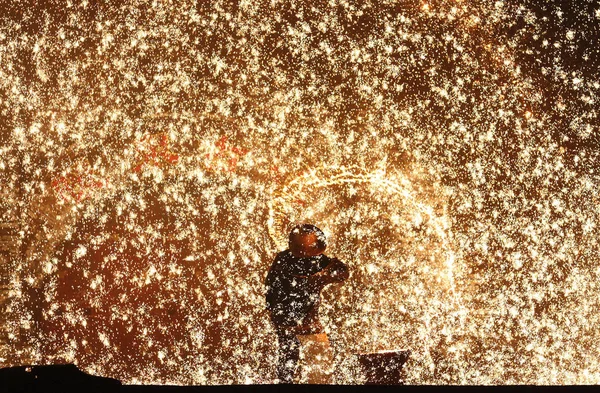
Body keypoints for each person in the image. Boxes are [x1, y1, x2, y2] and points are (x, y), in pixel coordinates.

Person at [265, 224, 349, 384]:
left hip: (307, 325)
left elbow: (342, 270)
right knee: (289, 363)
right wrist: (274, 313)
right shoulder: (284, 260)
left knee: (315, 368)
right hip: (288, 323)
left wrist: (322, 276)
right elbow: (271, 289)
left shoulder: (315, 260)